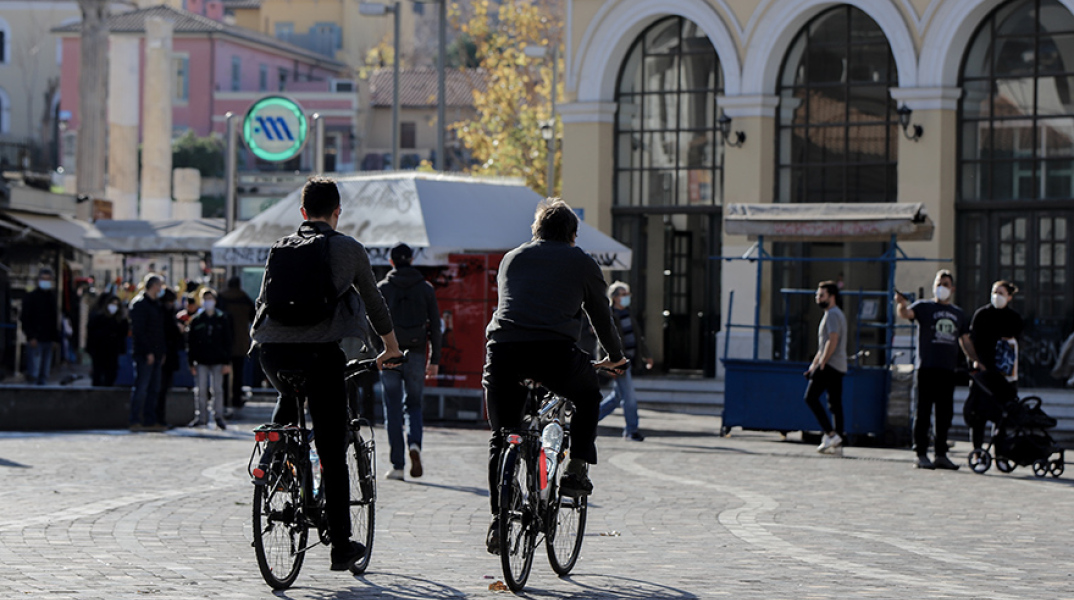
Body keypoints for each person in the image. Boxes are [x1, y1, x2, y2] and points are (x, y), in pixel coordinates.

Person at [252, 176, 403, 572]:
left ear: (302, 213)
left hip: (272, 352)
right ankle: (340, 546)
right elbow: (373, 301)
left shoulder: (279, 247)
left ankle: (276, 458)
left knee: (290, 392)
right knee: (332, 448)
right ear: (337, 213)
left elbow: (263, 300)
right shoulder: (349, 248)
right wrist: (390, 346)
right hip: (321, 354)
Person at [482, 198, 627, 555]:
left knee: (502, 437)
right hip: (553, 354)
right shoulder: (581, 261)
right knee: (589, 395)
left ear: (537, 231)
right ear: (572, 234)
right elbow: (600, 316)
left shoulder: (511, 258)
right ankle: (576, 468)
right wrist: (615, 357)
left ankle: (499, 517)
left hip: (502, 351)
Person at [895, 270, 978, 470]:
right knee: (922, 412)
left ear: (952, 288)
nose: (942, 287)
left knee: (944, 414)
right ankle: (921, 453)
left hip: (947, 370)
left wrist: (976, 360)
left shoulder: (958, 313)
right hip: (926, 368)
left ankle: (941, 453)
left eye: (946, 284)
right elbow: (906, 314)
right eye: (939, 283)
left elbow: (964, 340)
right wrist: (901, 303)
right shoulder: (924, 307)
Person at [377, 243, 442, 480]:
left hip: (389, 353)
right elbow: (435, 326)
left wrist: (378, 351)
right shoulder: (426, 288)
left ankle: (397, 466)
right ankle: (414, 444)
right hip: (416, 352)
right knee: (413, 405)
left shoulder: (383, 288)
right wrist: (434, 359)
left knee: (392, 408)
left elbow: (371, 322)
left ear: (391, 261)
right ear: (412, 260)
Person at [965, 280, 1024, 452]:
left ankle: (1000, 451)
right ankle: (977, 450)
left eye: (1001, 293)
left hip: (1004, 374)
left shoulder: (1014, 318)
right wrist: (976, 362)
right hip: (984, 370)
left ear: (1009, 297)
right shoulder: (982, 314)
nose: (996, 296)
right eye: (994, 292)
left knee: (1002, 414)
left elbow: (1017, 344)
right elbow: (973, 340)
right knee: (978, 414)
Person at [597, 281, 653, 441]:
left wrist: (646, 355)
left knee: (617, 397)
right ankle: (631, 430)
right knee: (629, 398)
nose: (627, 297)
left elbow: (637, 338)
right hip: (618, 362)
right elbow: (603, 341)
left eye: (627, 294)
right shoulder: (609, 315)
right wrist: (609, 365)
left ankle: (588, 420)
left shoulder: (628, 313)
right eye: (623, 294)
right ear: (615, 298)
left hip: (630, 360)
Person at [803, 281, 848, 456]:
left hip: (831, 364)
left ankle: (830, 434)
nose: (818, 298)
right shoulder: (833, 314)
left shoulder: (832, 315)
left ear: (832, 297)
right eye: (817, 295)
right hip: (836, 364)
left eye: (822, 295)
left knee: (810, 397)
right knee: (835, 403)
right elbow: (823, 345)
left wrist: (822, 364)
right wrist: (814, 363)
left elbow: (832, 340)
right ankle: (837, 440)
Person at [187, 288, 233, 429]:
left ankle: (218, 416)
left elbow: (228, 341)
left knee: (217, 389)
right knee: (200, 390)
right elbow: (191, 343)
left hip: (218, 360)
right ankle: (201, 417)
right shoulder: (197, 320)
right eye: (205, 299)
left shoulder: (222, 318)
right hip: (201, 360)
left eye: (210, 299)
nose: (208, 302)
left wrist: (227, 361)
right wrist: (191, 362)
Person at [129, 274, 167, 431]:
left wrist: (161, 351)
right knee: (142, 387)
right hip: (145, 354)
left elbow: (159, 331)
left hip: (157, 353)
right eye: (159, 285)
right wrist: (148, 352)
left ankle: (150, 419)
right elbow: (139, 332)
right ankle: (135, 419)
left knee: (154, 389)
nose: (161, 289)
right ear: (153, 286)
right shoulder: (140, 305)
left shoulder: (156, 305)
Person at [218, 276, 256, 418]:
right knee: (238, 374)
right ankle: (236, 400)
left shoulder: (221, 297)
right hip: (241, 341)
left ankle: (224, 402)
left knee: (223, 374)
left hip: (223, 343)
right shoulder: (245, 299)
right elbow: (254, 317)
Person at [20, 268, 59, 385]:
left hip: (48, 339)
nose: (45, 281)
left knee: (44, 372)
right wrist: (31, 336)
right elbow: (25, 318)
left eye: (48, 279)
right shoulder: (31, 297)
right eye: (43, 279)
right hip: (36, 338)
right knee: (34, 372)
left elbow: (54, 319)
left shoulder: (52, 297)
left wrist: (55, 339)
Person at [86, 293, 128, 386]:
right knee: (98, 374)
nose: (114, 307)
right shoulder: (98, 318)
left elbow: (123, 333)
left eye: (116, 304)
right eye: (112, 304)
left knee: (111, 374)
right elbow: (92, 334)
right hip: (99, 351)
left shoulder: (119, 320)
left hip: (113, 352)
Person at [156, 288, 183, 428]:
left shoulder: (166, 313)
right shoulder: (164, 314)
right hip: (165, 356)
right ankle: (159, 418)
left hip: (167, 355)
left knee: (163, 388)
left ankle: (160, 418)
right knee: (161, 388)